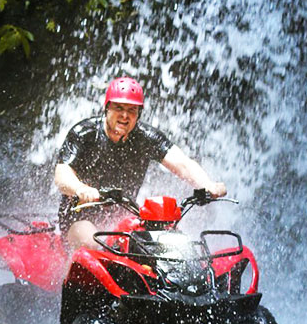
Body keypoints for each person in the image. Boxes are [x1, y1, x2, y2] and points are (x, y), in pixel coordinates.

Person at [54, 76, 227, 251]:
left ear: (138, 114)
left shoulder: (145, 137)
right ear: (106, 108)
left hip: (123, 218)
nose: (124, 115)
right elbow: (62, 174)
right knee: (95, 244)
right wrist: (80, 189)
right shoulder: (84, 133)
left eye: (132, 110)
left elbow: (183, 163)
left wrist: (207, 184)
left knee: (167, 244)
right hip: (78, 219)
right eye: (119, 108)